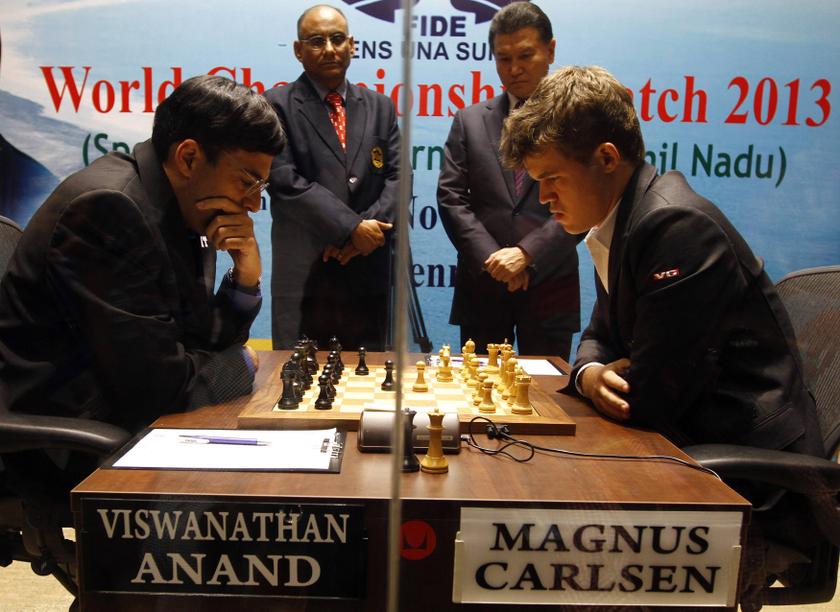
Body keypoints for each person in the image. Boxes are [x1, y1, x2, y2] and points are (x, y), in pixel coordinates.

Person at [501, 65, 823, 455]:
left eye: (553, 178)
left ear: (606, 158)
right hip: (685, 439)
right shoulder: (626, 219)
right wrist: (590, 375)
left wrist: (599, 376)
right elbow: (599, 336)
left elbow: (645, 398)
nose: (544, 197)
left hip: (745, 467)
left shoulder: (675, 227)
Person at [0, 75, 286, 434]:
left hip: (130, 418)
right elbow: (160, 391)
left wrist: (245, 281)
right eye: (247, 182)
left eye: (261, 187)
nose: (254, 204)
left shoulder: (180, 206)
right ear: (189, 158)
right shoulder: (107, 210)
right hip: (75, 445)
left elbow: (198, 342)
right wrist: (240, 363)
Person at [437, 2, 579, 359]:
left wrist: (526, 254)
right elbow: (451, 197)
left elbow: (585, 200)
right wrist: (494, 260)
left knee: (546, 402)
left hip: (549, 282)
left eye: (525, 55)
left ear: (551, 51)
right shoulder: (470, 120)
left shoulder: (578, 119)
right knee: (478, 400)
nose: (514, 69)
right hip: (484, 285)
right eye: (503, 58)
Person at [265, 4, 400, 351]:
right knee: (299, 388)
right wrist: (350, 228)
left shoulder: (380, 107)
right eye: (316, 41)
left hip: (367, 272)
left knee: (366, 386)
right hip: (305, 274)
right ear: (298, 50)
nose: (329, 49)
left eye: (337, 39)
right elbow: (283, 180)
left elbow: (400, 177)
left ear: (352, 45)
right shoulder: (274, 105)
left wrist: (366, 232)